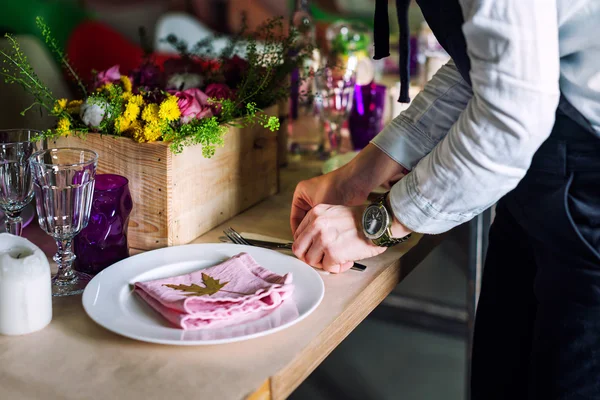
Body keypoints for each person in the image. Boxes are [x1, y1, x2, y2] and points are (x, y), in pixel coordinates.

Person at [290, 0, 600, 398]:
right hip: (538, 184)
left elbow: (511, 120)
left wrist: (380, 222)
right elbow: (489, 64)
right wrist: (358, 175)